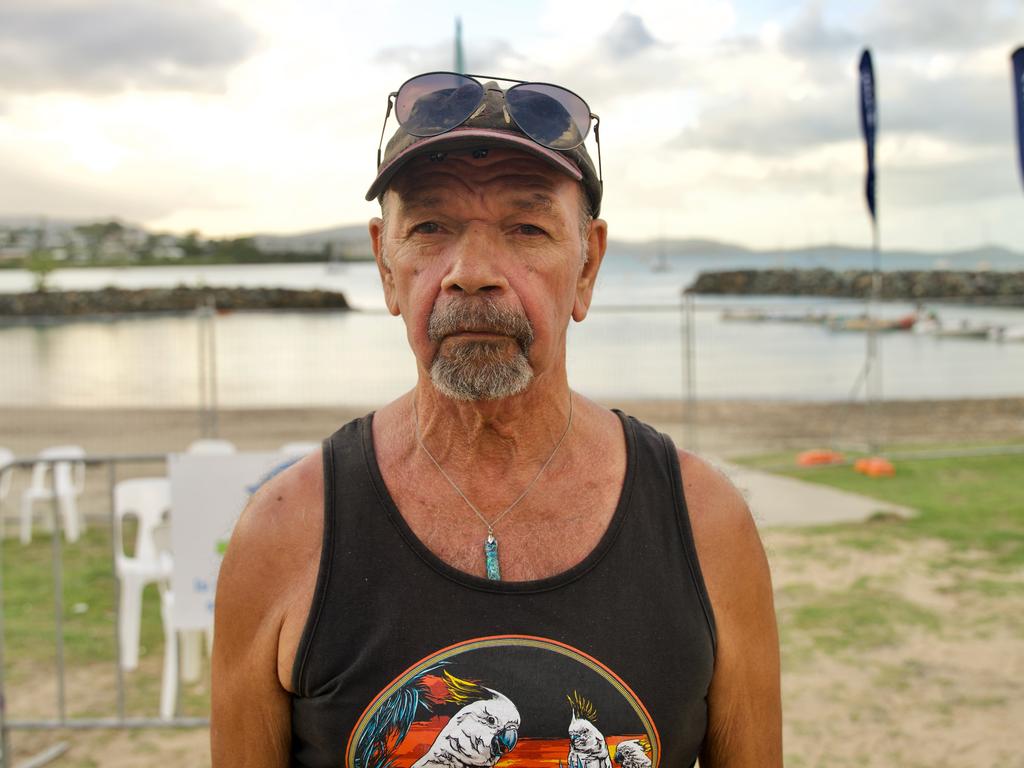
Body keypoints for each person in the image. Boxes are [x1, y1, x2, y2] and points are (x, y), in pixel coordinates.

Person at [211, 72, 781, 768]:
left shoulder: (705, 524)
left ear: (587, 266)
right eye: (430, 227)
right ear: (385, 267)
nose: (472, 270)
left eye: (526, 228)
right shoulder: (284, 531)